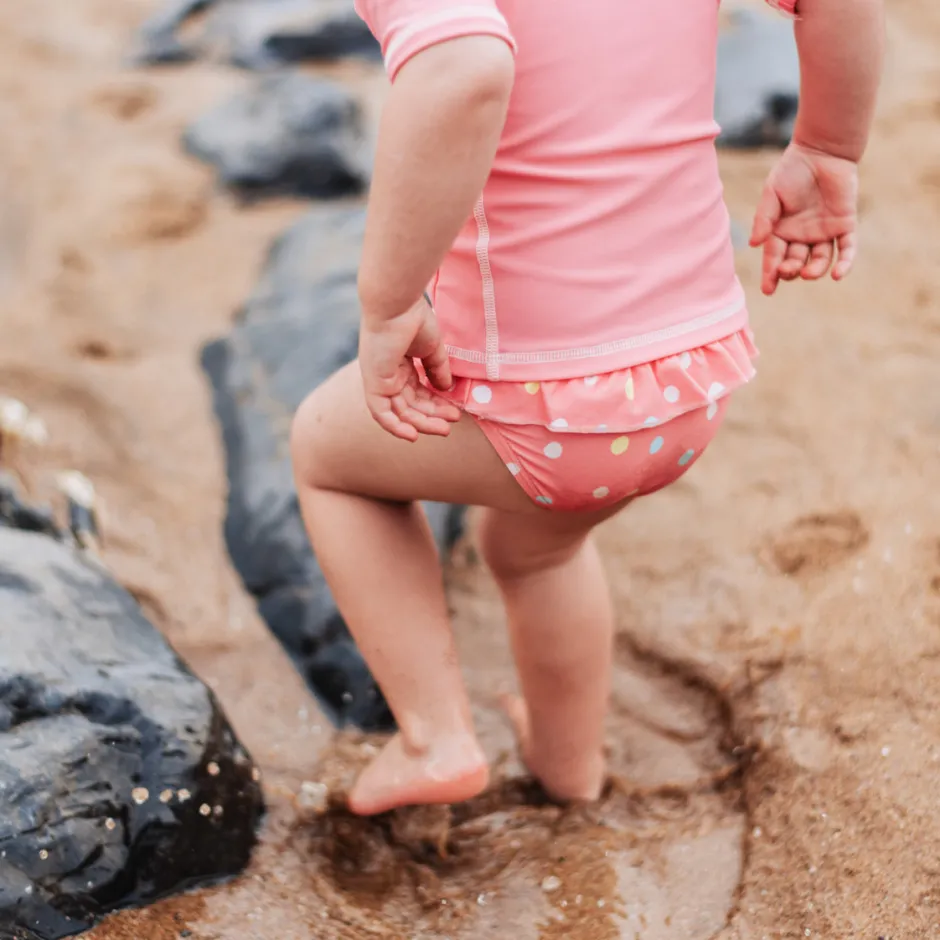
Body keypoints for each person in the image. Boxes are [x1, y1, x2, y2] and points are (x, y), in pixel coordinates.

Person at [290, 0, 884, 816]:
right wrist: (826, 148)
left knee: (327, 456)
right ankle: (570, 766)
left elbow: (462, 67)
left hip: (543, 397)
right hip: (692, 379)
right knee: (535, 550)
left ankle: (433, 737)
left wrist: (388, 304)